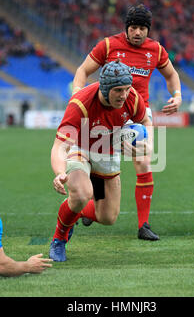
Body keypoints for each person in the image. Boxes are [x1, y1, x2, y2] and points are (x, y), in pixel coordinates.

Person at [72, 4, 182, 241]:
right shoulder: (109, 45)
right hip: (107, 112)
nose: (138, 33)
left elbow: (171, 75)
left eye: (142, 28)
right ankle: (88, 206)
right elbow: (83, 70)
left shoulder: (157, 50)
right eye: (134, 27)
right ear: (127, 28)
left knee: (144, 160)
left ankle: (144, 225)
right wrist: (77, 94)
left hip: (137, 113)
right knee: (99, 161)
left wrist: (178, 95)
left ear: (148, 29)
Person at [49, 59, 152, 261]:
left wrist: (146, 147)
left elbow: (146, 121)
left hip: (109, 153)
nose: (124, 95)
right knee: (82, 193)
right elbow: (59, 146)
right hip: (81, 150)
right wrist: (60, 172)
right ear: (105, 88)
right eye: (118, 90)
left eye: (127, 89)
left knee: (108, 217)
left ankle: (75, 212)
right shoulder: (80, 103)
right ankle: (59, 238)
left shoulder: (132, 98)